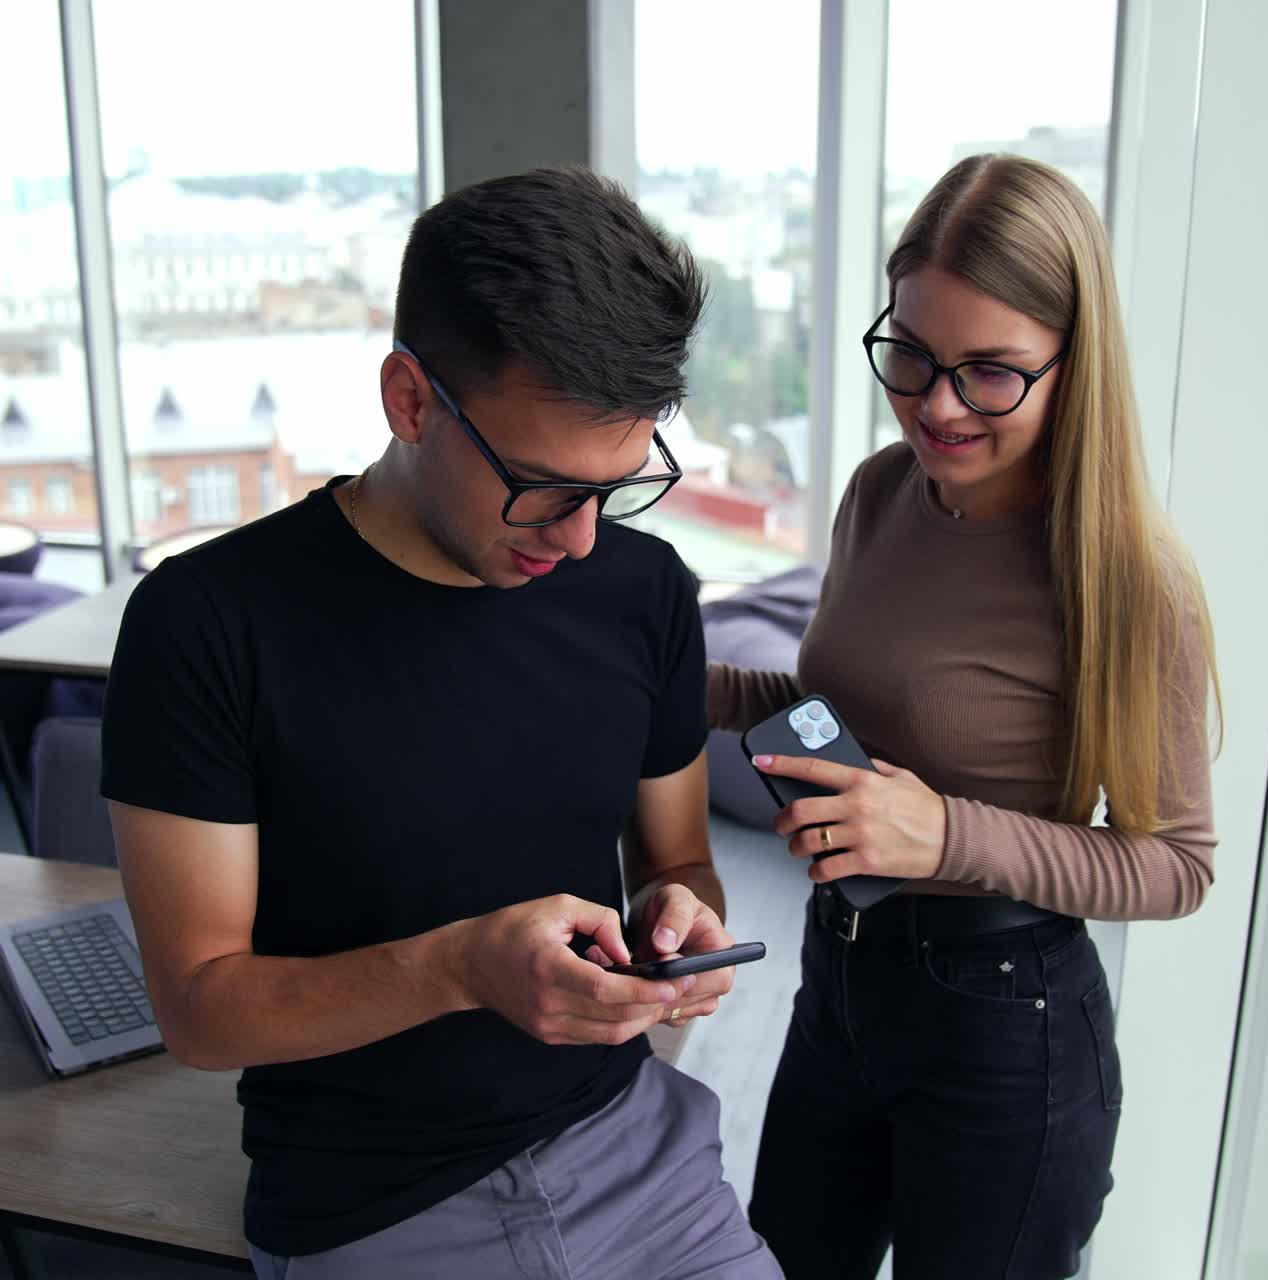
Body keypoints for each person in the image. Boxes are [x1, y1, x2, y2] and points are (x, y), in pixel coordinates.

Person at [101, 167, 782, 1280]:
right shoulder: (207, 621)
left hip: (641, 1158)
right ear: (411, 401)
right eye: (544, 489)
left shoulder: (645, 591)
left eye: (616, 487)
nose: (579, 543)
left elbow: (680, 858)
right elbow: (199, 1009)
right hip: (372, 1208)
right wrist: (463, 965)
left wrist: (681, 924)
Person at [709, 154, 1220, 1280]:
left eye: (989, 372)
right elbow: (823, 715)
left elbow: (1174, 864)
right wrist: (669, 669)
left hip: (1004, 1026)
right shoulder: (878, 492)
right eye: (911, 354)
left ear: (1071, 364)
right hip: (836, 981)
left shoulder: (1125, 576)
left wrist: (945, 835)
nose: (933, 404)